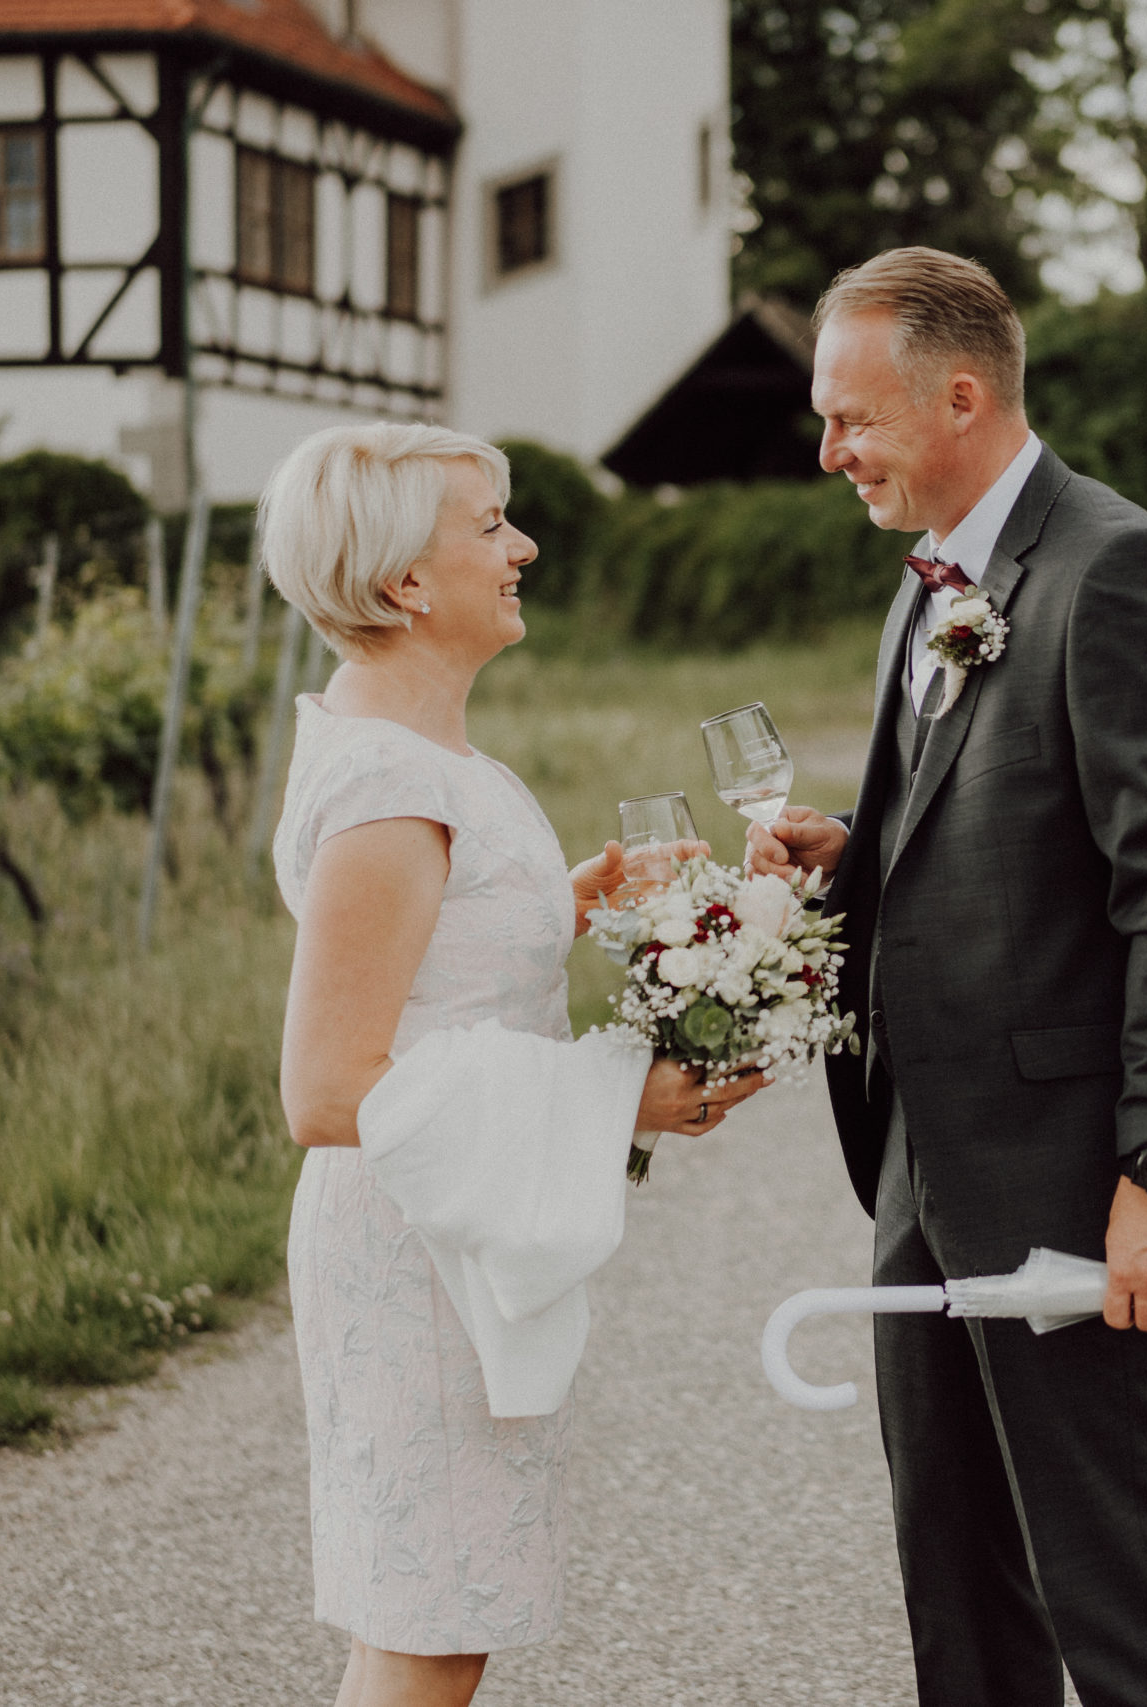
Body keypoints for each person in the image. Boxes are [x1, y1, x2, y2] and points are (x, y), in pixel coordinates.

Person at [748, 247, 1147, 1707]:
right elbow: (988, 831)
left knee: (1111, 1600)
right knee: (961, 1600)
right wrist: (851, 859)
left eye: (851, 418)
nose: (829, 450)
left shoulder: (1116, 569)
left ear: (960, 395)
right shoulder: (928, 584)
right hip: (926, 1168)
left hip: (1071, 1181)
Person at [263, 423, 765, 1707]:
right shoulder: (390, 787)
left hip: (453, 1232)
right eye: (489, 525)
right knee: (429, 1623)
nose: (523, 545)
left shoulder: (434, 762)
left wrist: (574, 893)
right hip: (414, 1250)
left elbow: (439, 963)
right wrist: (618, 1096)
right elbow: (328, 1089)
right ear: (403, 586)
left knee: (439, 1614)